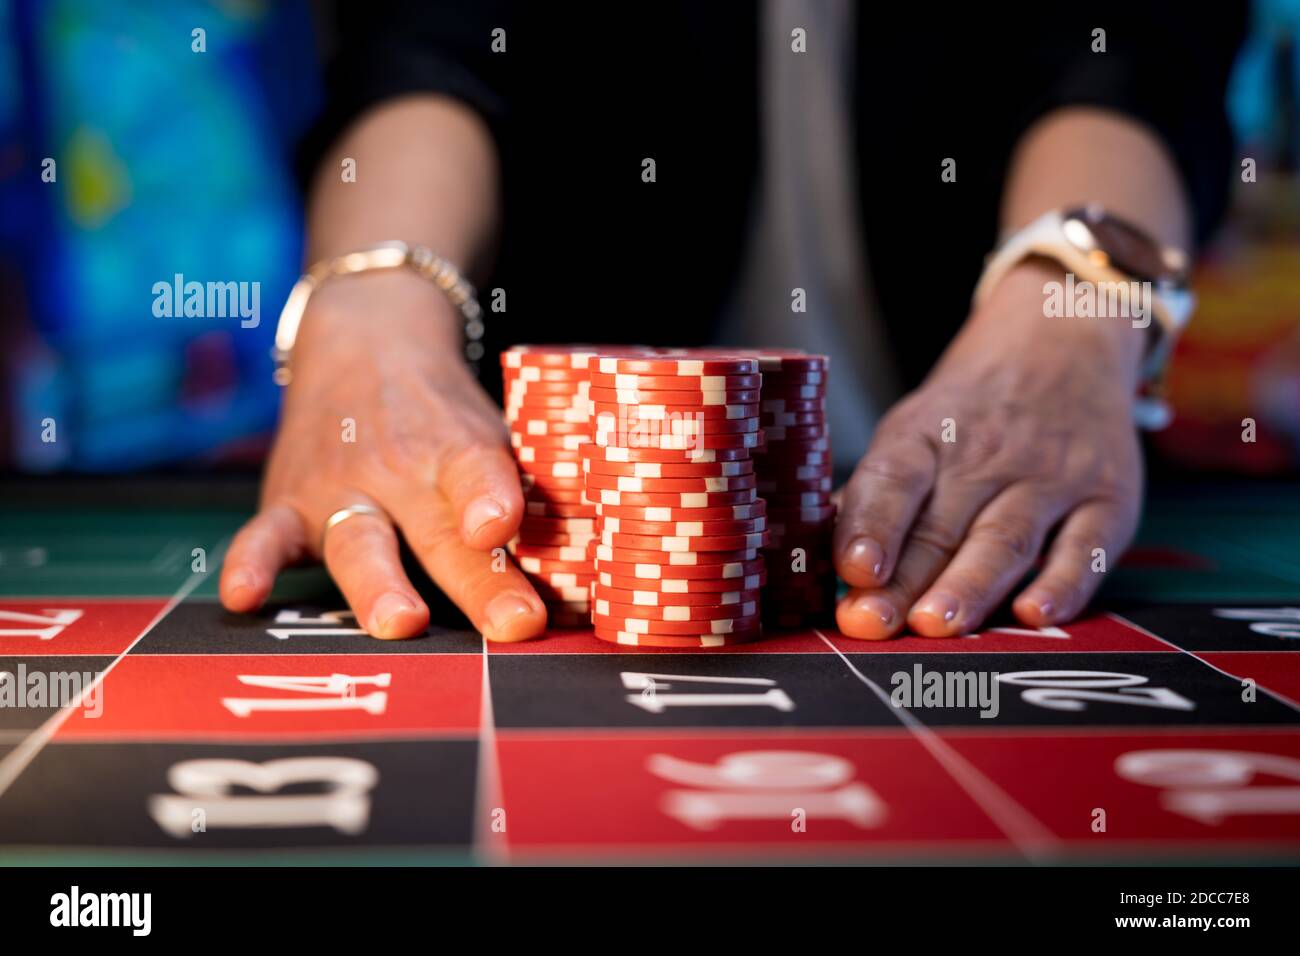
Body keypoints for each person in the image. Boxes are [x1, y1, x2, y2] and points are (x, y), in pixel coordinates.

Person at [218, 1, 1246, 642]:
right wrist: (369, 302)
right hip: (552, 508)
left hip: (972, 467)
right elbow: (423, 42)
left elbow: (1135, 43)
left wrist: (1069, 311)